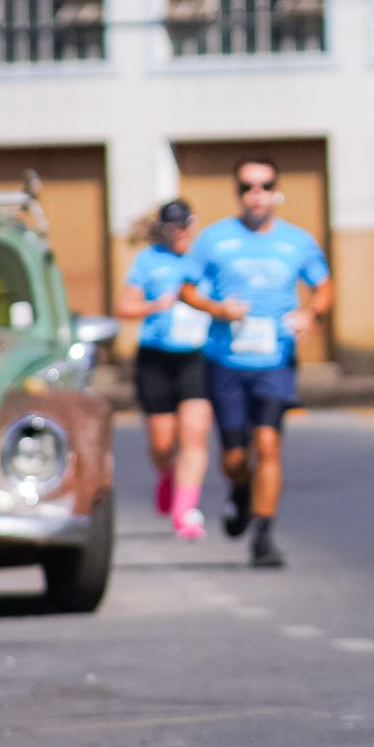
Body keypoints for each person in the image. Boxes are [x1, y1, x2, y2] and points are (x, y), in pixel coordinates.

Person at [179, 156, 333, 569]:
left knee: (267, 443)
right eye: (247, 187)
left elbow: (323, 285)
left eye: (264, 186)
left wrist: (310, 314)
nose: (256, 195)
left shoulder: (297, 242)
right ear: (237, 193)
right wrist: (217, 309)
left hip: (275, 358)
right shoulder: (214, 240)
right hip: (226, 359)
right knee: (234, 458)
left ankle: (264, 535)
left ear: (276, 192)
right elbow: (187, 290)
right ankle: (241, 491)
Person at [114, 198, 214, 540]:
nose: (180, 233)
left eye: (186, 226)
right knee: (162, 442)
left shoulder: (204, 260)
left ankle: (185, 511)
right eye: (174, 228)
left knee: (194, 433)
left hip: (196, 356)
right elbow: (124, 307)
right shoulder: (148, 260)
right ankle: (168, 475)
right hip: (156, 357)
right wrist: (154, 305)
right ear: (164, 230)